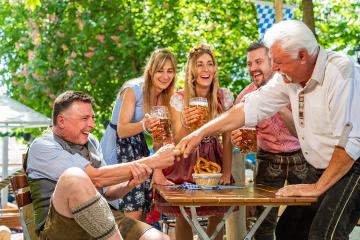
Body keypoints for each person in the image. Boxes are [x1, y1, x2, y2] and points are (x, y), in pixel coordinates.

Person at [176, 20, 360, 240]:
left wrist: (317, 187)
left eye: (279, 62)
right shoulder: (288, 78)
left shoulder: (342, 73)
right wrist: (200, 133)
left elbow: (351, 143)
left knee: (325, 234)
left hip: (353, 166)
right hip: (322, 167)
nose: (274, 68)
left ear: (302, 56)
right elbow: (246, 108)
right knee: (288, 230)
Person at [26, 91, 180, 240]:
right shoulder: (42, 146)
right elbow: (96, 177)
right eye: (85, 118)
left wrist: (129, 184)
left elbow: (107, 192)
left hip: (102, 220)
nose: (92, 124)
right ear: (61, 121)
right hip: (60, 228)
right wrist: (154, 161)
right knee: (74, 177)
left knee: (159, 238)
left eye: (92, 118)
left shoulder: (90, 141)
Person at [157, 43, 234, 240]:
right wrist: (189, 125)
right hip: (186, 157)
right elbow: (178, 139)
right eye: (200, 64)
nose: (205, 69)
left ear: (215, 68)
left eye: (210, 64)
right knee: (185, 213)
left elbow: (226, 139)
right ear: (192, 69)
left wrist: (226, 171)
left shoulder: (223, 96)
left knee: (217, 211)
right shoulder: (179, 98)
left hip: (213, 157)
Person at [232, 42, 305, 240]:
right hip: (268, 159)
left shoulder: (294, 89)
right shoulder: (245, 98)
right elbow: (247, 147)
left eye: (258, 61)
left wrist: (277, 104)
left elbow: (301, 133)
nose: (253, 67)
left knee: (305, 218)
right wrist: (238, 139)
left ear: (272, 63)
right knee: (263, 223)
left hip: (301, 157)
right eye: (249, 64)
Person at [100, 49, 176, 221]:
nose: (165, 76)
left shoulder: (164, 96)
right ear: (150, 71)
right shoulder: (133, 90)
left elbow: (159, 137)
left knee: (142, 208)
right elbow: (122, 130)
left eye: (170, 71)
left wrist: (158, 171)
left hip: (138, 147)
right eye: (160, 70)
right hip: (118, 148)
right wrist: (144, 125)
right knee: (131, 207)